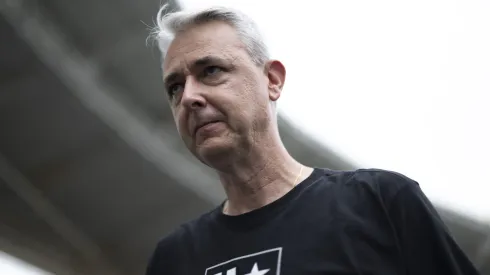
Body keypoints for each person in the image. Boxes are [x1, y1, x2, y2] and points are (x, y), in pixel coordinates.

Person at [145, 5, 480, 275]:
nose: (189, 97)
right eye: (175, 87)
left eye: (211, 71)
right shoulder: (173, 259)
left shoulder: (379, 202)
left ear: (272, 80)